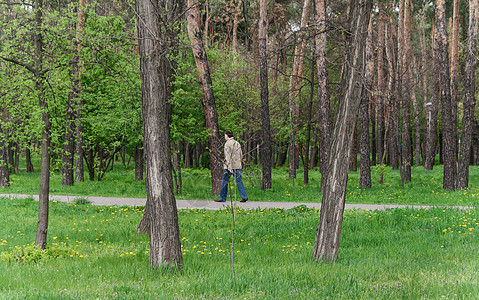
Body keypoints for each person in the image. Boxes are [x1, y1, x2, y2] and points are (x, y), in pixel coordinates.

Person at [215, 130, 248, 203]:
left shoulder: (227, 144)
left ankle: (222, 198)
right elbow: (241, 155)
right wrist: (239, 164)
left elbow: (228, 157)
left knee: (224, 182)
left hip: (229, 167)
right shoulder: (237, 143)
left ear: (227, 135)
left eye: (225, 135)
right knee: (239, 181)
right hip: (237, 166)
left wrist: (229, 168)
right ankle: (244, 196)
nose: (224, 136)